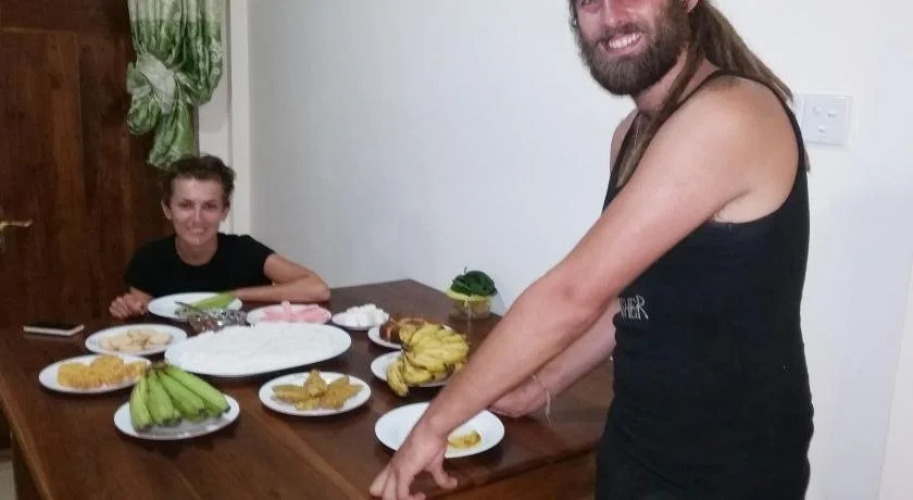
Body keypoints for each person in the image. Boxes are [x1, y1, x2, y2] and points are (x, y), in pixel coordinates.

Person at [370, 0, 813, 498]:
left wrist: (433, 426)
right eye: (589, 2)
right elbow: (635, 296)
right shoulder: (631, 136)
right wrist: (542, 385)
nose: (611, 15)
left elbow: (573, 295)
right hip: (637, 441)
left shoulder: (729, 113)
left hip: (732, 470)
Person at [109, 155, 330, 318]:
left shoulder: (244, 250)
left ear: (224, 212)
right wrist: (128, 307)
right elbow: (142, 319)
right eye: (186, 205)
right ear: (167, 209)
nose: (197, 218)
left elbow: (317, 289)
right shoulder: (149, 259)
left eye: (209, 206)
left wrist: (234, 295)